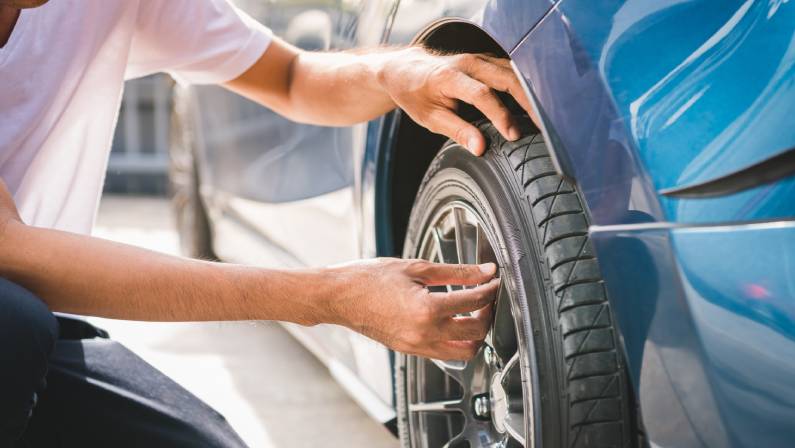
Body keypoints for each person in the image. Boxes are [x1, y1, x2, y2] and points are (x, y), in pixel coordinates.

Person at [0, 0, 535, 446]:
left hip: (40, 325)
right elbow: (9, 250)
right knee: (15, 325)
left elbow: (289, 77)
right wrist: (328, 297)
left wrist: (391, 72)